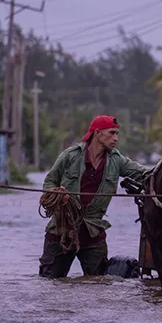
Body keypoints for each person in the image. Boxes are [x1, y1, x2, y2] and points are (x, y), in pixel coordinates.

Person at [38, 115, 152, 278]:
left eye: (117, 134)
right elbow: (49, 182)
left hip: (93, 234)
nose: (116, 138)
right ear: (97, 133)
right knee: (50, 283)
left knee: (98, 286)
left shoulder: (117, 161)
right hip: (61, 231)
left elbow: (145, 175)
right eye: (112, 133)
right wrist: (55, 193)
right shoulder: (70, 156)